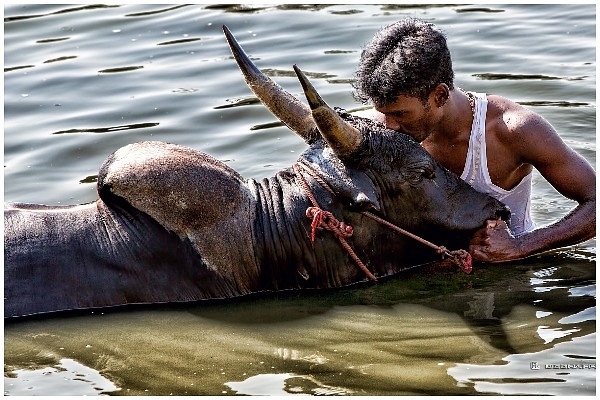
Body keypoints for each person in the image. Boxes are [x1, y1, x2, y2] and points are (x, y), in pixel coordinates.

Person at [353, 18, 595, 262]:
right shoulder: (379, 129)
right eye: (384, 113)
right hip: (427, 266)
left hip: (509, 272)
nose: (389, 125)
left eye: (400, 114)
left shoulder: (513, 130)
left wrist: (520, 246)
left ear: (439, 95)